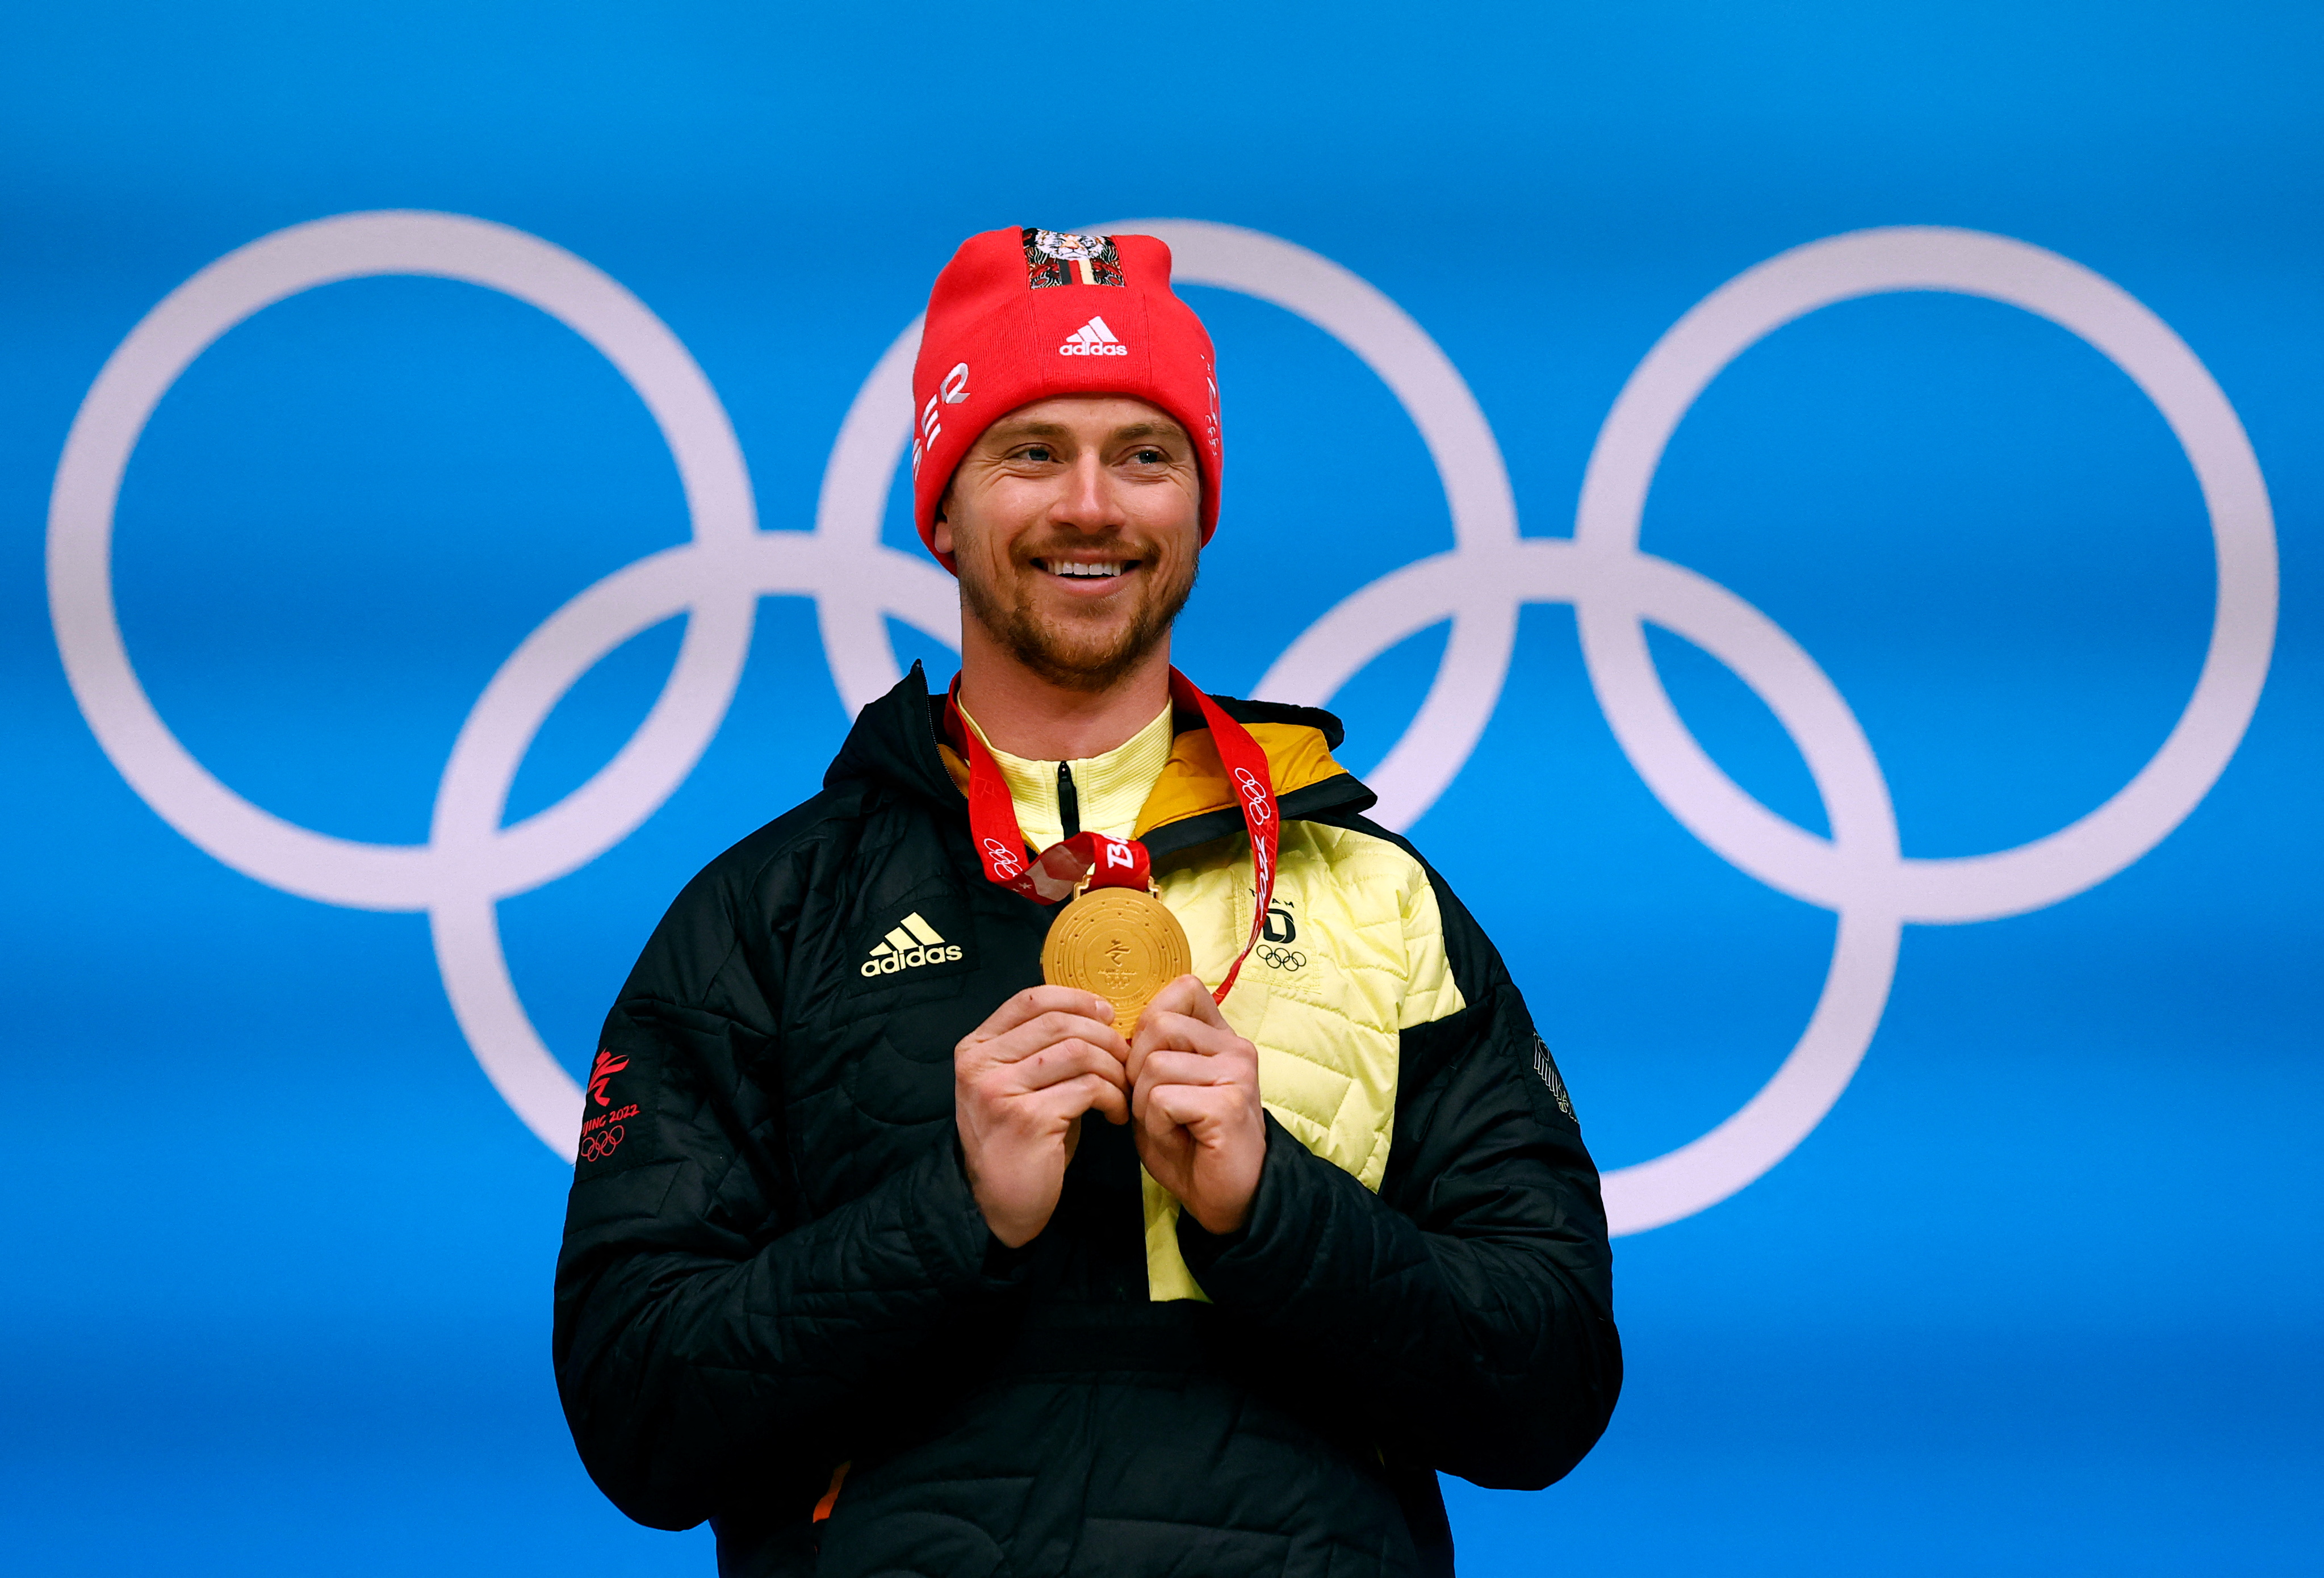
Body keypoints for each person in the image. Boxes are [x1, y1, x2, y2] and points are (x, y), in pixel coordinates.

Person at [554, 225, 1620, 1578]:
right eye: (1030, 451)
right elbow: (636, 1411)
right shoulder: (767, 912)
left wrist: (1264, 1207)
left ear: (1197, 505)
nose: (1091, 505)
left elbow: (1552, 1386)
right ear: (941, 508)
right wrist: (954, 1212)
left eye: (1143, 453)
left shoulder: (1374, 894)